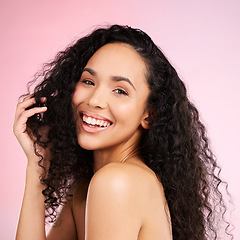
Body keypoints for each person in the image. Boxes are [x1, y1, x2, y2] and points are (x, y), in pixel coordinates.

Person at [14, 24, 232, 240]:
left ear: (149, 115)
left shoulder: (117, 183)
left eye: (120, 90)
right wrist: (38, 164)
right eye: (88, 81)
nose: (95, 100)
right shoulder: (85, 189)